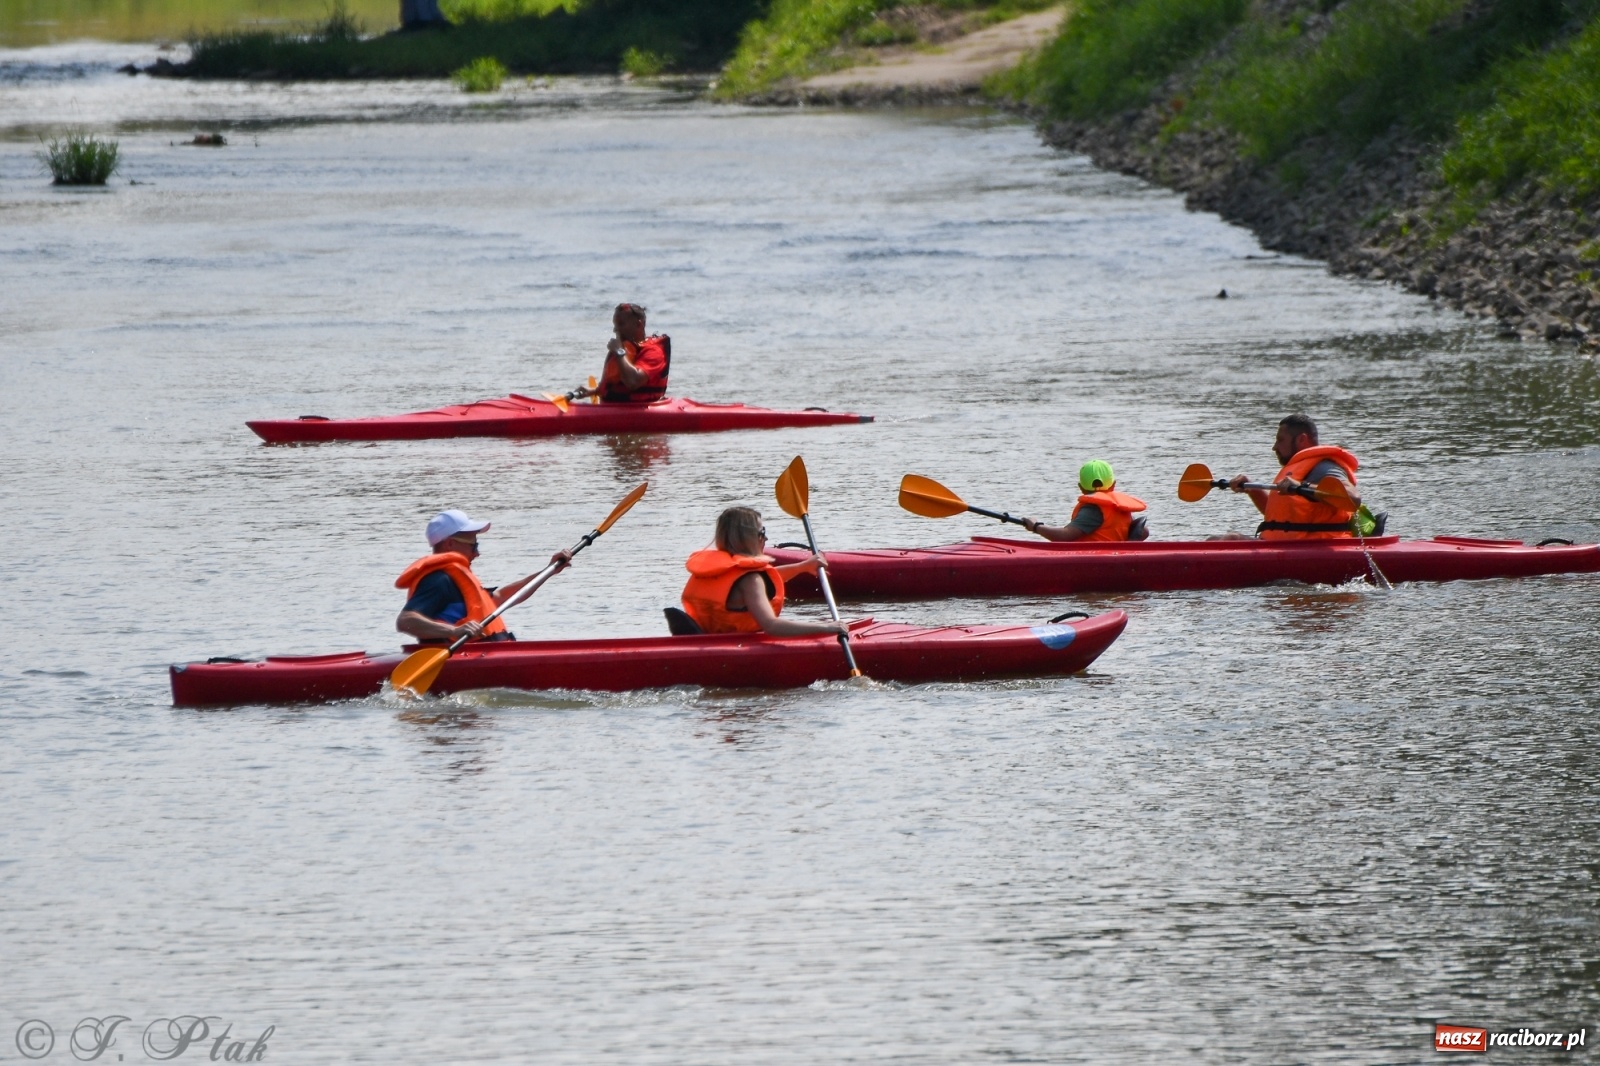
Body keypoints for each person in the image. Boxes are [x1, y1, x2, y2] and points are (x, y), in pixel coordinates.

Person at [395, 509, 572, 643]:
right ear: (450, 543)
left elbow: (503, 597)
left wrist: (548, 571)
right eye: (474, 545)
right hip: (459, 661)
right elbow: (406, 620)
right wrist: (453, 631)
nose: (477, 553)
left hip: (488, 653)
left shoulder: (458, 578)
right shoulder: (439, 579)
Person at [680, 506, 850, 637]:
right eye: (762, 532)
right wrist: (827, 628)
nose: (766, 538)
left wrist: (802, 567)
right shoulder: (750, 580)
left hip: (708, 641)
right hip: (735, 649)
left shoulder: (715, 570)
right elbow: (771, 626)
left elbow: (767, 579)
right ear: (747, 538)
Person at [1228, 413, 1361, 540]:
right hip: (1285, 546)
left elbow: (1353, 498)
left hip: (1316, 547)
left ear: (1301, 439)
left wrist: (1301, 486)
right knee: (1224, 540)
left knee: (1229, 540)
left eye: (1280, 440)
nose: (1274, 447)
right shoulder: (1297, 468)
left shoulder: (1324, 467)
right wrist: (1252, 490)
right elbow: (1280, 517)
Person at [1020, 460, 1150, 542]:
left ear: (1081, 488)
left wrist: (1036, 527)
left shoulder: (1092, 509)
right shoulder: (1120, 506)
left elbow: (1065, 536)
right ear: (1113, 485)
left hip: (1097, 559)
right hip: (1113, 557)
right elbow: (1144, 532)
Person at [572, 303, 670, 404]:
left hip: (638, 412)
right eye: (615, 325)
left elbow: (632, 382)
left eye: (621, 324)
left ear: (639, 325)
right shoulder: (623, 349)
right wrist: (594, 391)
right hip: (613, 410)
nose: (615, 330)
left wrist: (619, 352)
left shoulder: (654, 352)